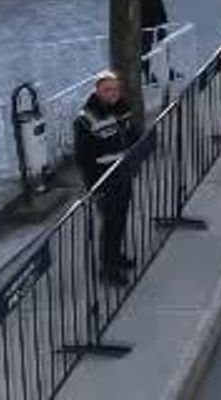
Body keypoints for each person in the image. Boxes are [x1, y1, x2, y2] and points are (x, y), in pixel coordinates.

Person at [73, 71, 139, 286]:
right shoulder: (86, 119)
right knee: (110, 224)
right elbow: (83, 158)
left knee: (120, 220)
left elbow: (130, 138)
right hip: (105, 181)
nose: (113, 93)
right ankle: (107, 269)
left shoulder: (119, 110)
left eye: (116, 89)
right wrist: (94, 186)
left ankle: (116, 257)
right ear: (98, 92)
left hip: (122, 176)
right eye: (108, 90)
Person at [139, 0, 169, 82]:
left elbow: (160, 6)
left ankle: (167, 70)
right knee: (145, 52)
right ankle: (147, 75)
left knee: (165, 47)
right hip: (144, 27)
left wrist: (164, 22)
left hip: (157, 24)